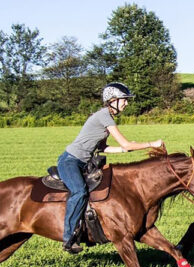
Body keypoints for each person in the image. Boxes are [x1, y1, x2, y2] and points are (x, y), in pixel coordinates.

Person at [57, 82, 163, 253]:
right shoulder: (104, 115)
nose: (126, 103)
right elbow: (126, 143)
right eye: (124, 100)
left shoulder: (107, 117)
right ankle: (69, 237)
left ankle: (91, 229)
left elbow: (102, 148)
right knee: (79, 192)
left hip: (85, 163)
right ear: (112, 100)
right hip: (70, 161)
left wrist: (123, 149)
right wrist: (151, 144)